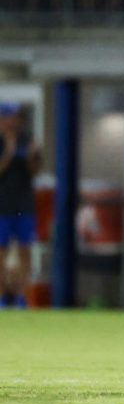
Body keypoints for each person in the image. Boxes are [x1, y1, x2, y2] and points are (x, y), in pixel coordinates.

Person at [0, 104, 40, 309]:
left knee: (25, 250)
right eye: (8, 117)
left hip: (24, 203)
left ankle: (23, 296)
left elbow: (34, 172)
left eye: (15, 118)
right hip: (2, 205)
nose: (12, 122)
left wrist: (33, 156)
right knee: (1, 251)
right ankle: (1, 296)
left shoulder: (26, 139)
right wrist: (8, 151)